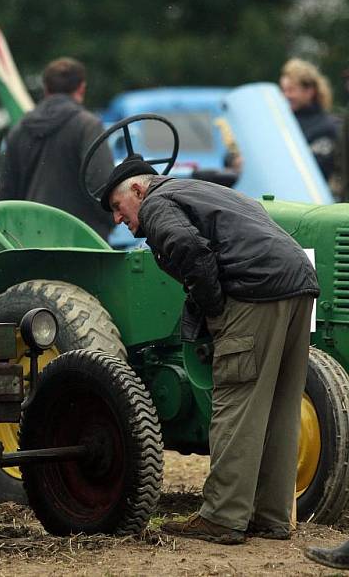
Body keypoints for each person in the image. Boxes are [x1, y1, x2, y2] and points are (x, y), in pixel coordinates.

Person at [101, 155, 319, 544]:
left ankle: (222, 516)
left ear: (138, 189)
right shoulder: (202, 190)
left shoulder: (157, 203)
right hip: (299, 283)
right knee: (281, 405)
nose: (118, 219)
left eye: (118, 207)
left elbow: (188, 248)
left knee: (236, 401)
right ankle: (271, 517)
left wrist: (214, 310)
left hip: (254, 292)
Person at [0, 57, 114, 240]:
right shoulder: (87, 126)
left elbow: (6, 194)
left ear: (45, 89)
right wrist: (110, 219)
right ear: (82, 88)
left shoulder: (18, 130)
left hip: (30, 241)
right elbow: (101, 184)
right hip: (82, 241)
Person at [280, 58, 338, 181]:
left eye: (291, 90)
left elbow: (317, 172)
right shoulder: (280, 121)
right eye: (283, 90)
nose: (285, 96)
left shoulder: (326, 127)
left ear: (309, 91)